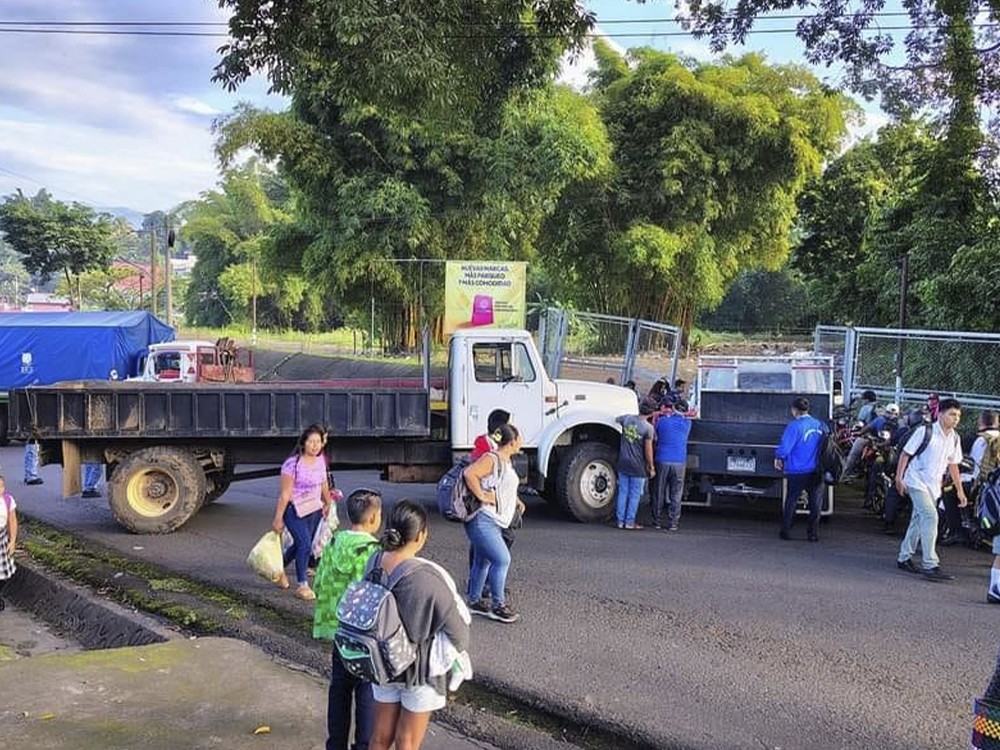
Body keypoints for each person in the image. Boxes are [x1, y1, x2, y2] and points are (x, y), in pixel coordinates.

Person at [369, 500, 470, 750]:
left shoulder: (374, 563)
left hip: (382, 664)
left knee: (380, 738)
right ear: (421, 535)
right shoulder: (428, 578)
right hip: (419, 670)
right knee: (407, 742)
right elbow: (459, 635)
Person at [313, 488, 384, 750]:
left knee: (339, 688)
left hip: (338, 631)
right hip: (364, 636)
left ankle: (336, 744)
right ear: (375, 517)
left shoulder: (333, 542)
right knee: (366, 690)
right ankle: (363, 744)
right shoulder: (375, 551)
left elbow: (319, 582)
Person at [895, 397, 966, 582]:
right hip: (916, 481)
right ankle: (930, 564)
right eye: (952, 414)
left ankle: (904, 557)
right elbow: (905, 454)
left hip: (933, 487)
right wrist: (899, 478)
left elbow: (953, 465)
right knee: (930, 516)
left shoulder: (955, 438)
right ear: (940, 414)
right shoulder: (924, 431)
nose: (955, 418)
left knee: (919, 519)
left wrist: (960, 491)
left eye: (958, 415)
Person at [463, 423, 523, 624]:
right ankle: (498, 605)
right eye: (519, 438)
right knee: (502, 559)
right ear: (512, 441)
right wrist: (482, 496)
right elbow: (469, 474)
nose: (521, 442)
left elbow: (502, 486)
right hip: (483, 519)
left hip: (494, 520)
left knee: (484, 561)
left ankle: (475, 601)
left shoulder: (505, 461)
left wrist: (516, 501)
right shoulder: (492, 458)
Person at [272, 424, 336, 600]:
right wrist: (278, 518)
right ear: (304, 443)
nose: (315, 446)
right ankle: (302, 585)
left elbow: (323, 483)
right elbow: (285, 494)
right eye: (311, 442)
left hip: (314, 509)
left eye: (318, 442)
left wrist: (328, 502)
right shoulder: (292, 464)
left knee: (300, 544)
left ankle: (278, 569)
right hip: (294, 511)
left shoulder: (320, 461)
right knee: (305, 544)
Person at [775, 397, 827, 542]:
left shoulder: (794, 426)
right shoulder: (819, 425)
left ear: (794, 410)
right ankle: (813, 534)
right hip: (816, 470)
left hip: (797, 470)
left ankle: (786, 531)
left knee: (792, 500)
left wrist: (779, 458)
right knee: (815, 503)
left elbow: (785, 447)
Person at [651, 398, 692, 531]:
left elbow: (654, 434)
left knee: (659, 491)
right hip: (679, 461)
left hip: (662, 459)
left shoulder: (662, 421)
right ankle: (673, 522)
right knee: (676, 493)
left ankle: (657, 521)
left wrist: (659, 415)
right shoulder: (687, 423)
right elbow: (690, 415)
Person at [614, 408, 655, 530]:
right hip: (638, 466)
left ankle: (620, 521)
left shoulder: (627, 419)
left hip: (623, 462)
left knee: (623, 492)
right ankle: (629, 522)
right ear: (651, 413)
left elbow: (617, 419)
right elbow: (648, 451)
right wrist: (651, 466)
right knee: (634, 495)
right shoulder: (648, 428)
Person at [0, 475, 17, 613]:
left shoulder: (7, 500)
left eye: (1, 486)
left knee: (3, 573)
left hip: (2, 538)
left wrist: (12, 541)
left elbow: (12, 522)